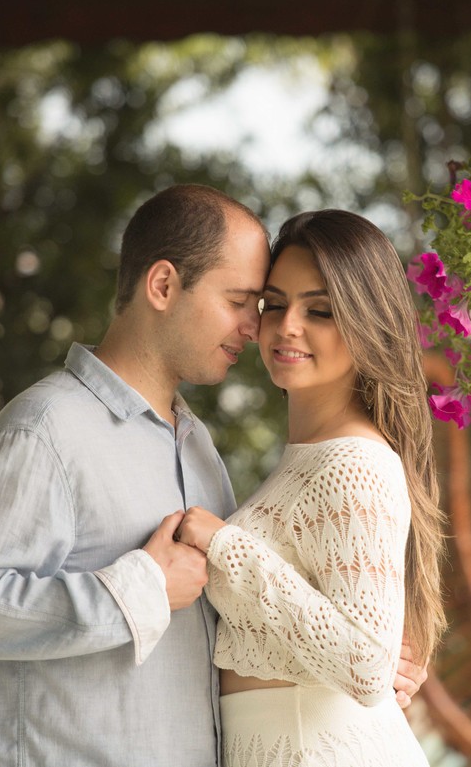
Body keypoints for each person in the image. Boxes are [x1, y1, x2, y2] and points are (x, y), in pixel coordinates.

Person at [0, 185, 427, 767]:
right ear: (162, 286)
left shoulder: (198, 450)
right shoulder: (46, 431)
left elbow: (237, 620)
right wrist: (138, 590)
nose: (254, 326)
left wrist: (368, 663)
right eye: (244, 301)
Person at [175, 210, 446, 766]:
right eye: (273, 304)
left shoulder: (354, 465)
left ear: (367, 323)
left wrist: (226, 545)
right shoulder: (310, 457)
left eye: (318, 310)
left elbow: (367, 666)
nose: (287, 325)